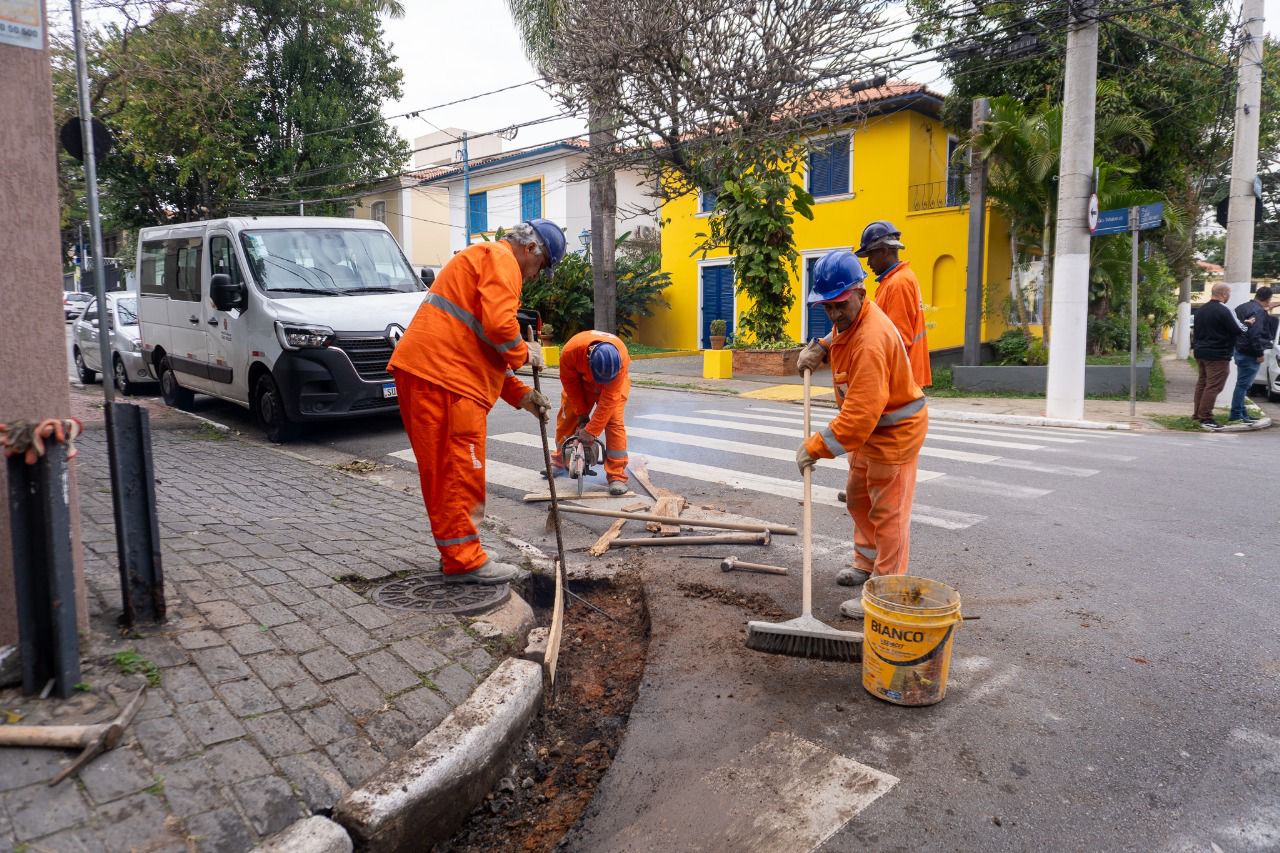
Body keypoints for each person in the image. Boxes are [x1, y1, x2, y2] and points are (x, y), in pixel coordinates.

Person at [388, 219, 567, 584]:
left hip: (434, 375)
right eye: (542, 267)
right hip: (445, 381)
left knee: (444, 473)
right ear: (531, 248)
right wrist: (525, 352)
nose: (535, 277)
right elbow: (501, 330)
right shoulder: (501, 259)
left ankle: (459, 551)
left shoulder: (482, 259)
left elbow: (482, 347)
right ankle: (466, 561)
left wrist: (522, 396)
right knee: (459, 472)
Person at [794, 251, 928, 620]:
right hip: (871, 433)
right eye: (827, 307)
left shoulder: (872, 340)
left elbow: (858, 418)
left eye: (839, 305)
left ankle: (885, 591)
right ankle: (865, 564)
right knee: (858, 498)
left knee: (889, 513)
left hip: (893, 433)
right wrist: (821, 348)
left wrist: (815, 447)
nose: (834, 314)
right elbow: (841, 331)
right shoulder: (852, 319)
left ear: (859, 292)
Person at [796, 220, 931, 388]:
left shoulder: (898, 283)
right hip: (897, 377)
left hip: (897, 380)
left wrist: (866, 373)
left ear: (885, 250)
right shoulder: (895, 280)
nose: (868, 263)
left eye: (870, 255)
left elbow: (896, 340)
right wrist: (824, 344)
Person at [551, 331, 632, 496]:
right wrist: (581, 414)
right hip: (582, 383)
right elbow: (570, 384)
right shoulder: (571, 352)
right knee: (568, 416)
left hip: (613, 387)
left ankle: (616, 476)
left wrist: (591, 431)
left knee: (613, 421)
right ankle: (560, 461)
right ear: (588, 357)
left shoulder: (621, 358)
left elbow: (609, 399)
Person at [1192, 283, 1252, 431]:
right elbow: (1239, 329)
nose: (1229, 296)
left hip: (1200, 352)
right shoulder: (1225, 310)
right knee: (1214, 385)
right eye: (1229, 294)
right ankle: (1206, 417)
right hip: (1218, 354)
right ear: (1224, 294)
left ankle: (1197, 414)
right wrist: (1248, 323)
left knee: (1202, 384)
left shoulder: (1200, 310)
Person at [1228, 286, 1273, 425]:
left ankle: (1242, 412)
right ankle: (1236, 414)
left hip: (1239, 350)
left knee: (1242, 384)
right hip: (1250, 353)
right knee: (1243, 385)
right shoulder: (1258, 311)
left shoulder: (1241, 307)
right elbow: (1255, 335)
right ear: (1267, 299)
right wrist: (1259, 353)